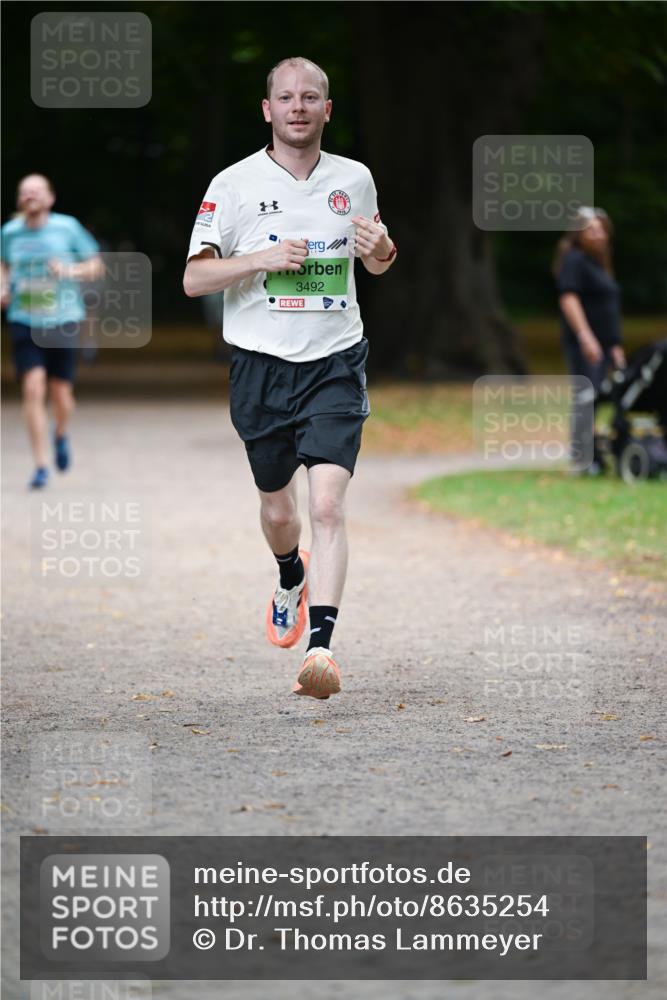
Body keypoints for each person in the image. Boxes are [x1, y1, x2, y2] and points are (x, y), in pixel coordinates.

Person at [183, 56, 396, 699]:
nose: (298, 106)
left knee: (327, 503)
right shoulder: (233, 184)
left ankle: (322, 650)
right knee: (280, 510)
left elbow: (380, 262)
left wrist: (380, 249)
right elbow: (195, 279)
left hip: (335, 360)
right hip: (260, 366)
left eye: (311, 97)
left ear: (327, 110)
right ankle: (287, 572)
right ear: (267, 109)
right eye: (286, 97)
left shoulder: (354, 179)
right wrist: (261, 259)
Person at [1, 174, 103, 488]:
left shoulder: (67, 227)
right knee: (32, 388)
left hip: (63, 318)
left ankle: (60, 432)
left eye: (36, 190)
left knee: (61, 395)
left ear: (50, 197)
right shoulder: (10, 231)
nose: (29, 195)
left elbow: (96, 264)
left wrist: (69, 270)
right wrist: (3, 285)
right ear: (20, 199)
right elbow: (3, 264)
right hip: (24, 318)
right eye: (24, 191)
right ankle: (41, 465)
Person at [554, 206, 626, 474]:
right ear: (578, 234)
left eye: (601, 229)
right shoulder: (574, 261)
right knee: (586, 396)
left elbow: (609, 309)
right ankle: (582, 458)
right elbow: (568, 298)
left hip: (606, 345)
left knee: (603, 396)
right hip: (587, 345)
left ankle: (597, 453)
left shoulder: (600, 264)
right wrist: (586, 337)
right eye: (591, 229)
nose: (598, 234)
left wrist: (615, 345)